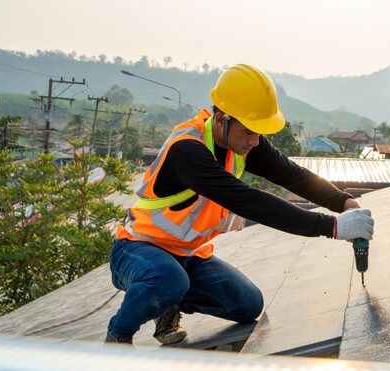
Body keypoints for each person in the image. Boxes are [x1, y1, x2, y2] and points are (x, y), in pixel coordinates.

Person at [106, 64, 374, 344]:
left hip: (187, 256)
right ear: (221, 119)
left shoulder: (243, 142)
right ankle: (117, 337)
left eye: (258, 133)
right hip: (137, 250)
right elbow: (248, 201)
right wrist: (331, 226)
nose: (255, 141)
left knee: (248, 304)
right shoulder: (188, 149)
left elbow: (293, 175)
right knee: (168, 280)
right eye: (248, 132)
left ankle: (168, 301)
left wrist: (344, 202)